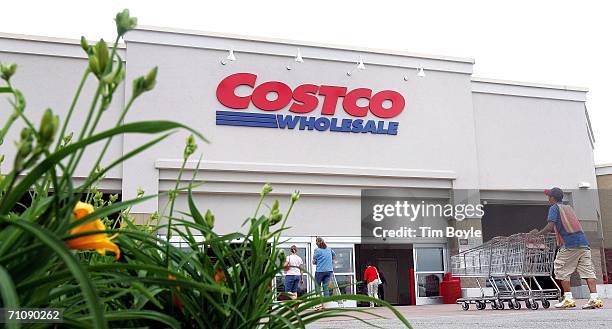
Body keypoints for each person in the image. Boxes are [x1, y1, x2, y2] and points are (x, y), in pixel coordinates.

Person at [530, 187, 603, 309]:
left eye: (549, 196)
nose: (548, 198)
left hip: (570, 244)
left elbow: (550, 226)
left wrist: (537, 234)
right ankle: (594, 298)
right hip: (583, 243)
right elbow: (564, 227)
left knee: (560, 268)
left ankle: (568, 298)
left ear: (552, 198)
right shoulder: (568, 208)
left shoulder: (554, 208)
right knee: (588, 271)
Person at [312, 237, 336, 306]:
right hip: (329, 271)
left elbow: (314, 261)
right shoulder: (329, 249)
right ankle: (326, 305)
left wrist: (316, 262)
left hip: (320, 271)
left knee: (318, 287)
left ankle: (318, 304)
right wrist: (330, 262)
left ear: (317, 243)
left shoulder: (317, 250)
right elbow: (334, 256)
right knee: (326, 287)